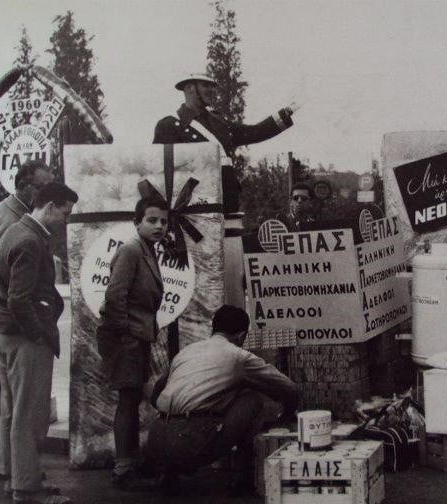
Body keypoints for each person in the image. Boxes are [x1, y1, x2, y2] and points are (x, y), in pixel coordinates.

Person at [146, 305, 298, 496]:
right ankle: (242, 478)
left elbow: (155, 394)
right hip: (193, 444)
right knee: (252, 400)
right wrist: (287, 414)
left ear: (213, 329)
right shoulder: (238, 356)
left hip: (156, 440)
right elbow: (290, 388)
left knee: (204, 408)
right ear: (242, 336)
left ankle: (168, 473)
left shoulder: (187, 351)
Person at [0, 182, 78, 504]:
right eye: (65, 213)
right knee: (28, 415)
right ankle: (26, 490)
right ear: (50, 206)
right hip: (22, 337)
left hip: (2, 332)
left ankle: (14, 475)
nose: (65, 220)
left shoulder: (15, 230)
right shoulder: (29, 240)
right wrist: (38, 332)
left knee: (12, 410)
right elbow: (18, 299)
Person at [96, 197, 168, 490]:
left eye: (164, 221)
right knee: (127, 399)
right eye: (152, 220)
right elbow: (115, 297)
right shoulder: (130, 250)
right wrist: (127, 334)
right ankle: (123, 468)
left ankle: (130, 461)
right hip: (125, 338)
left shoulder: (146, 250)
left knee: (132, 397)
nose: (159, 226)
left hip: (136, 336)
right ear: (136, 222)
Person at [0, 161, 54, 480]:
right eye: (44, 187)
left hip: (1, 320)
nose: (49, 193)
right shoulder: (16, 223)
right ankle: (21, 477)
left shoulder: (7, 216)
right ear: (26, 187)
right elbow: (15, 290)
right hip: (11, 323)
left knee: (8, 401)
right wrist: (36, 331)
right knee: (18, 403)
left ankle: (9, 467)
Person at [153, 73, 296, 214]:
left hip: (228, 201)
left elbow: (254, 132)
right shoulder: (169, 125)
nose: (212, 90)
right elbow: (160, 174)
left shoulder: (220, 122)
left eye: (213, 86)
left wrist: (288, 111)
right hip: (193, 208)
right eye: (206, 85)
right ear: (190, 88)